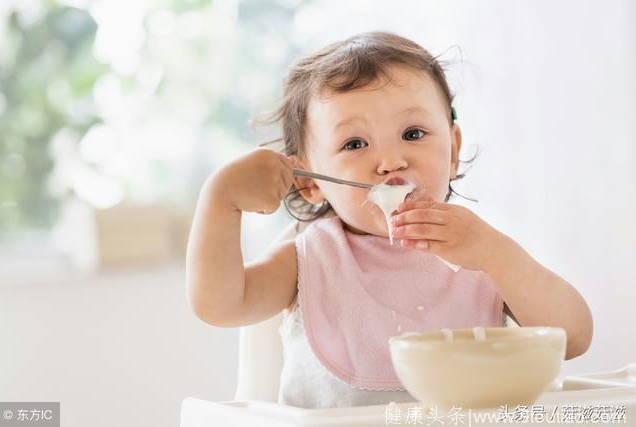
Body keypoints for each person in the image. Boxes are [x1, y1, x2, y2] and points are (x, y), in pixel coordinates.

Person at [185, 31, 593, 409]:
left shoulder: (479, 251)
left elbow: (572, 338)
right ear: (310, 183)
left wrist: (495, 254)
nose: (391, 162)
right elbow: (220, 305)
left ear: (452, 151)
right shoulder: (310, 259)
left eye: (413, 134)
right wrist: (220, 201)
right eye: (355, 143)